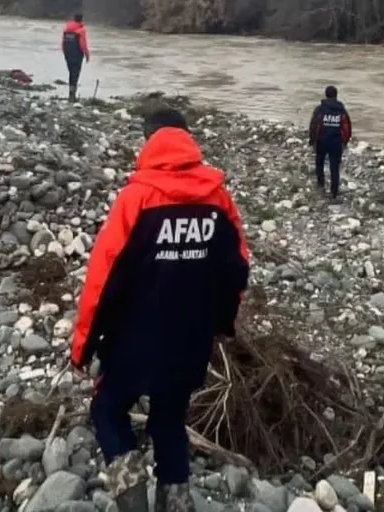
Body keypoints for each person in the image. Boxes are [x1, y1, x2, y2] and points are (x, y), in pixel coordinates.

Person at [70, 107, 251, 512]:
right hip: (189, 342)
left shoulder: (136, 198)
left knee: (107, 410)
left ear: (148, 142)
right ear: (189, 141)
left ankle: (131, 488)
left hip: (133, 341)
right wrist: (221, 325)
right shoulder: (217, 199)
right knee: (169, 422)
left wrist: (83, 347)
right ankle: (176, 503)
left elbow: (102, 280)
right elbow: (236, 270)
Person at [308, 85, 352, 198]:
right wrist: (345, 142)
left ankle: (320, 185)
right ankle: (334, 192)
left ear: (326, 95)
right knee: (334, 167)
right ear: (336, 95)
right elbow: (347, 128)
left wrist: (312, 141)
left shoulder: (319, 109)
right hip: (336, 143)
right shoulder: (341, 110)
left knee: (319, 164)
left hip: (321, 141)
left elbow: (313, 125)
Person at [62, 12, 90, 102]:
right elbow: (83, 44)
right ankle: (72, 95)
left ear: (74, 19)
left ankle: (71, 93)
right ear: (81, 20)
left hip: (68, 54)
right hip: (77, 54)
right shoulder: (81, 30)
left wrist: (65, 53)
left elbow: (63, 43)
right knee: (75, 73)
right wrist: (87, 55)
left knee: (71, 73)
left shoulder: (66, 30)